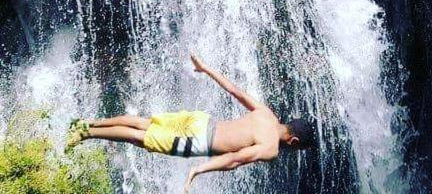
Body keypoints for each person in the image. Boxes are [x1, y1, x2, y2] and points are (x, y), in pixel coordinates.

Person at [66, 54, 315, 193]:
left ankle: (88, 122)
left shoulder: (267, 114)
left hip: (201, 121)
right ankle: (86, 133)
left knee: (143, 124)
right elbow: (234, 160)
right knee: (139, 138)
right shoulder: (270, 148)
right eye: (295, 148)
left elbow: (235, 91)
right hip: (198, 141)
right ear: (293, 141)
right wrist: (198, 171)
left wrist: (206, 68)